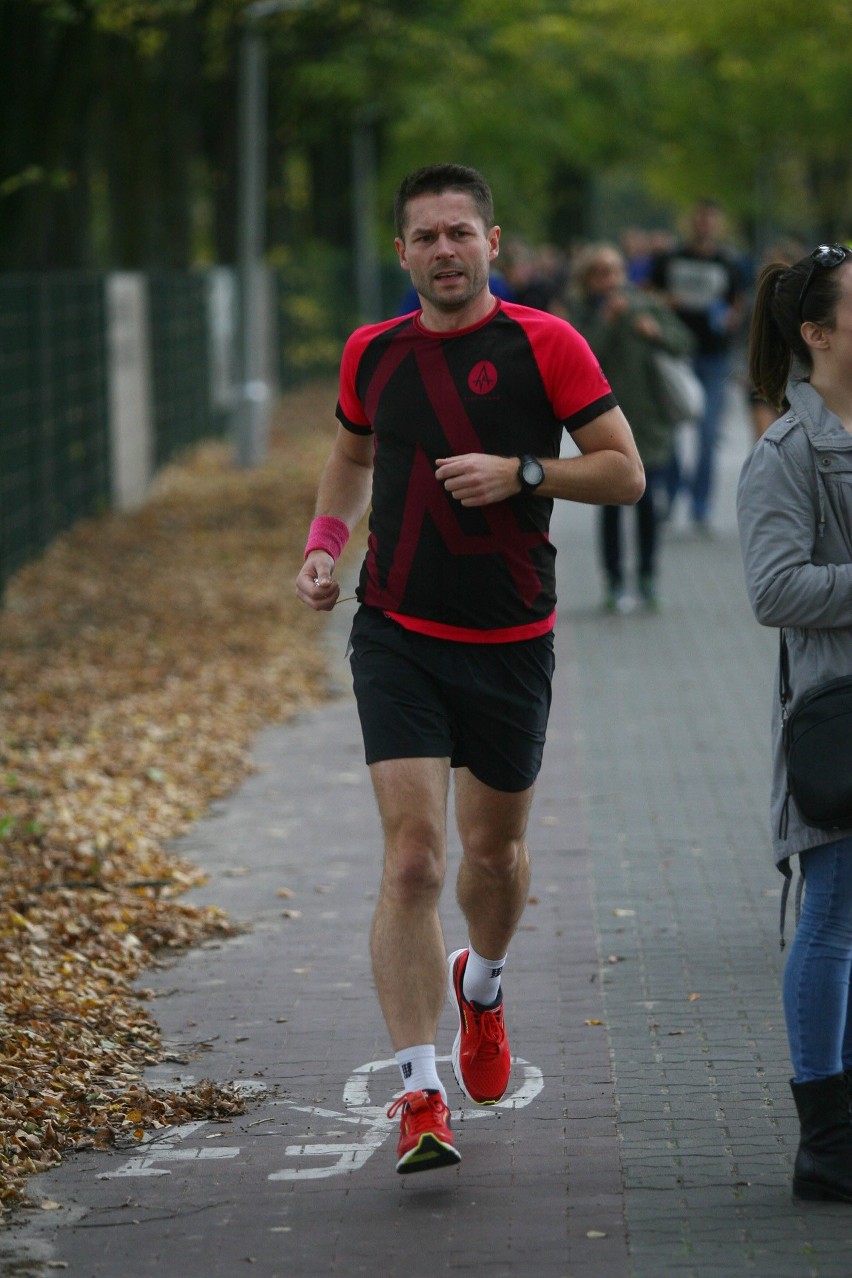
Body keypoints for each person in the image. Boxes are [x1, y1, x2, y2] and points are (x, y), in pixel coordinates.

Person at [295, 163, 644, 1175]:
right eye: (425, 236)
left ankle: (481, 987)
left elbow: (624, 469)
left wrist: (525, 472)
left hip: (510, 641)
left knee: (494, 860)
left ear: (494, 242)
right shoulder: (373, 352)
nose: (444, 249)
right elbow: (353, 457)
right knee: (414, 860)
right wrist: (324, 542)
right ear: (402, 253)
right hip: (396, 633)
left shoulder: (548, 343)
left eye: (460, 232)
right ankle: (419, 1091)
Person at [737, 242, 852, 1204]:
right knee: (835, 914)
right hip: (840, 719)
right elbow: (775, 589)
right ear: (817, 333)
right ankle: (825, 1139)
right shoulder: (787, 453)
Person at [569, 242, 695, 612]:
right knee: (609, 502)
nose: (609, 279)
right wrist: (607, 322)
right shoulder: (581, 315)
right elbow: (580, 359)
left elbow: (684, 342)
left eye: (614, 270)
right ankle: (612, 580)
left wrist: (655, 331)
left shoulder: (647, 305)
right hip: (603, 425)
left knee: (646, 501)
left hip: (650, 421)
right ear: (587, 279)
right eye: (600, 272)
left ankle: (647, 577)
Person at [651, 199, 746, 529]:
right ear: (692, 222)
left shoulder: (728, 263)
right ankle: (672, 488)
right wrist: (669, 302)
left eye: (711, 220)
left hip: (714, 357)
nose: (705, 225)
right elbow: (648, 295)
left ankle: (701, 503)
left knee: (707, 436)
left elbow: (737, 303)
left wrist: (730, 317)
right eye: (701, 219)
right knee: (671, 431)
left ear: (717, 224)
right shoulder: (670, 259)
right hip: (676, 354)